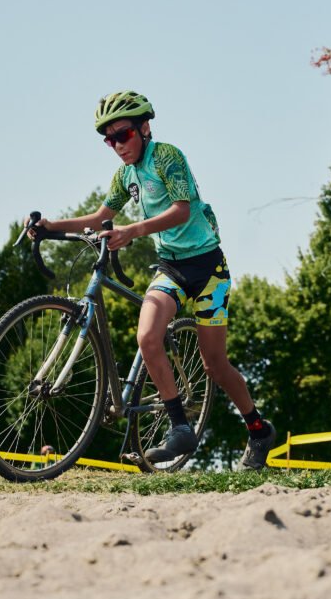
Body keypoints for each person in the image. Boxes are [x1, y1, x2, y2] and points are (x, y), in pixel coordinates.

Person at [28, 90, 275, 470]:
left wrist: (133, 230)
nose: (117, 145)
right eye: (109, 140)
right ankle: (179, 427)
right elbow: (98, 217)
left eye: (123, 135)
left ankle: (259, 430)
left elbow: (182, 210)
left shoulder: (168, 157)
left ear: (144, 128)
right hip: (171, 268)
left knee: (214, 365)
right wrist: (51, 226)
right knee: (146, 337)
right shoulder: (125, 175)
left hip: (208, 269)